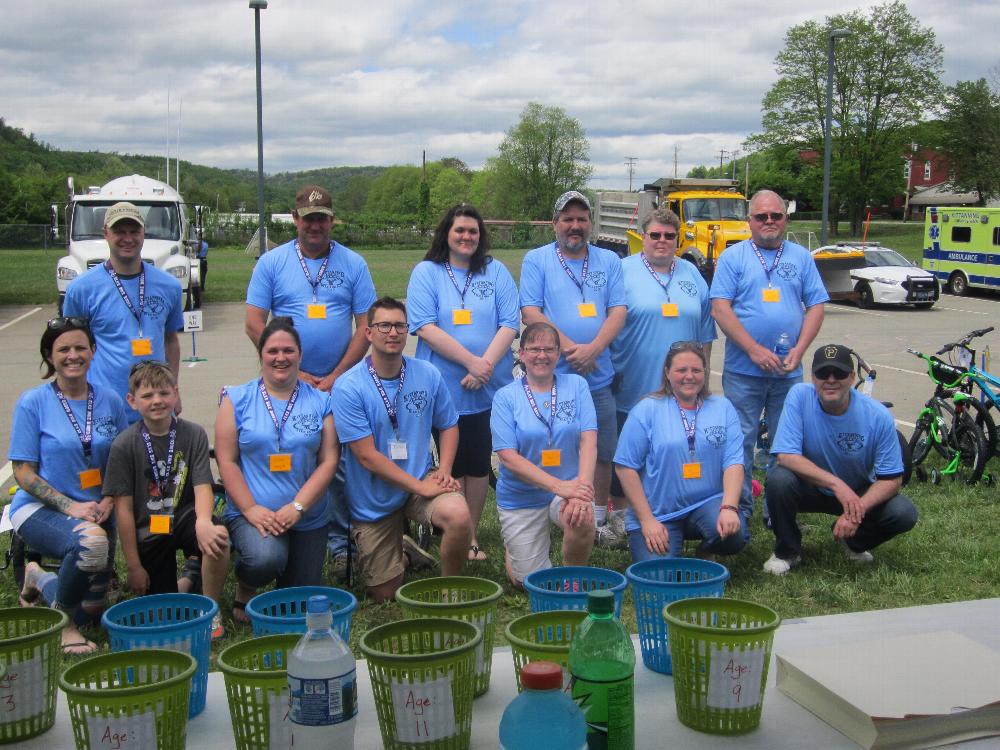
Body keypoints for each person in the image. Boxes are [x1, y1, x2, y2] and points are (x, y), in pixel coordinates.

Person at [245, 185, 376, 581]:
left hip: (341, 382)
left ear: (331, 220)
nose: (315, 225)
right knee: (289, 454)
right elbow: (254, 322)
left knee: (338, 466)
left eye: (322, 217)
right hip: (285, 381)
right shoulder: (272, 262)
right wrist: (295, 372)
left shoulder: (353, 263)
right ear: (295, 219)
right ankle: (278, 531)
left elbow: (365, 326)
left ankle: (342, 545)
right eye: (308, 217)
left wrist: (337, 376)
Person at [331, 297, 473, 602]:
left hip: (420, 481)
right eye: (384, 325)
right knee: (385, 593)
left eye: (399, 325)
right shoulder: (348, 386)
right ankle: (404, 551)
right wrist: (419, 484)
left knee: (459, 515)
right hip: (374, 495)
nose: (392, 332)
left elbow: (449, 425)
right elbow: (367, 456)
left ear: (408, 331)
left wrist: (444, 472)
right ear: (368, 333)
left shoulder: (427, 374)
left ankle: (451, 588)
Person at [406, 203, 519, 562]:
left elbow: (510, 323)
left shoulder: (496, 271)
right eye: (460, 230)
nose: (467, 237)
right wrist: (472, 361)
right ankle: (446, 526)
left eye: (473, 231)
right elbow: (425, 326)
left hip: (487, 386)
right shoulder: (427, 273)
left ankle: (468, 536)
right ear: (447, 234)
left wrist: (484, 366)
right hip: (443, 387)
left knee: (477, 462)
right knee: (449, 464)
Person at [10, 317, 128, 654]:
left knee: (91, 611)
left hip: (96, 511)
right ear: (50, 356)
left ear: (93, 351)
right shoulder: (33, 402)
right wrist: (69, 506)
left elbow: (119, 462)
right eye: (63, 349)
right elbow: (23, 471)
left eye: (80, 347)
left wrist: (107, 499)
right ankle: (64, 625)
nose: (72, 355)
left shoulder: (110, 400)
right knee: (91, 545)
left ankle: (38, 579)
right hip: (41, 508)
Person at [709, 189, 828, 520]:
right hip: (743, 371)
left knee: (786, 445)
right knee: (740, 443)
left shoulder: (801, 257)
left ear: (785, 219)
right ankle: (740, 510)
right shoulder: (733, 258)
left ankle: (778, 511)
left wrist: (800, 350)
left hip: (788, 373)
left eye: (776, 215)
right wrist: (754, 349)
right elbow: (720, 309)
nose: (769, 221)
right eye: (761, 216)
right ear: (750, 221)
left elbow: (817, 306)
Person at [520, 190, 627, 547]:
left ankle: (596, 518)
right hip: (553, 376)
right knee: (551, 445)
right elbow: (531, 311)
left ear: (591, 224)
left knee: (602, 450)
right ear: (555, 224)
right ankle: (546, 510)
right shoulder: (537, 260)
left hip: (598, 374)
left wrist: (594, 348)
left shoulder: (609, 260)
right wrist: (568, 347)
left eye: (582, 219)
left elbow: (618, 311)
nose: (575, 226)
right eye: (567, 219)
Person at [215, 317, 339, 620]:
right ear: (261, 355)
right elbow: (226, 459)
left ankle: (286, 565)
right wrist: (251, 509)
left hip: (307, 516)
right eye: (272, 351)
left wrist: (297, 507)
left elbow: (329, 461)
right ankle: (247, 585)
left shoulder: (321, 401)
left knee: (298, 606)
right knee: (265, 558)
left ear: (300, 355)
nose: (280, 358)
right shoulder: (237, 398)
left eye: (288, 350)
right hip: (253, 512)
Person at [762, 344, 918, 575]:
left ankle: (853, 543)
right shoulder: (799, 396)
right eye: (823, 374)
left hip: (858, 491)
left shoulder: (878, 415)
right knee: (778, 479)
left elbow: (892, 479)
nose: (831, 380)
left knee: (904, 513)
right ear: (813, 378)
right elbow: (785, 456)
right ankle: (787, 551)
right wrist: (837, 484)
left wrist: (857, 509)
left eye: (840, 373)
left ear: (853, 377)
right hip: (811, 487)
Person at [103, 361, 229, 639]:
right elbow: (123, 511)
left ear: (176, 393)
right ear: (132, 401)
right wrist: (134, 566)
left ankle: (211, 609)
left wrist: (205, 522)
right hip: (149, 530)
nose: (157, 401)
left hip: (184, 518)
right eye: (147, 396)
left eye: (164, 393)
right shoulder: (124, 445)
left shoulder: (193, 433)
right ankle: (189, 577)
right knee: (164, 616)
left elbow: (202, 486)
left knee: (218, 535)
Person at [610, 208, 716, 510]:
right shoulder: (622, 270)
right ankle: (620, 511)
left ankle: (671, 504)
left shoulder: (691, 273)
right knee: (628, 448)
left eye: (670, 236)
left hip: (683, 386)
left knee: (674, 445)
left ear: (678, 240)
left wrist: (704, 377)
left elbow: (706, 331)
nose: (662, 241)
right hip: (634, 380)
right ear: (642, 237)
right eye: (655, 235)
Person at [614, 341, 746, 560]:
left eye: (696, 370)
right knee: (656, 577)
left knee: (734, 535)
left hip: (707, 503)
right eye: (681, 370)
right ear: (667, 373)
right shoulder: (646, 410)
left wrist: (729, 508)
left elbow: (733, 462)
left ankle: (707, 548)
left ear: (705, 371)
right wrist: (647, 521)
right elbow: (624, 467)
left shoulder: (722, 407)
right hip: (659, 512)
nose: (689, 376)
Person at [491, 322, 596, 586]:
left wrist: (581, 488)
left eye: (549, 349)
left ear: (558, 354)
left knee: (582, 516)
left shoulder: (577, 386)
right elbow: (507, 457)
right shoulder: (505, 397)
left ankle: (574, 576)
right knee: (529, 583)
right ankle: (517, 552)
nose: (542, 355)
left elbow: (588, 440)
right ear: (522, 354)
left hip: (568, 487)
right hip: (522, 496)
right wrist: (558, 485)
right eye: (534, 349)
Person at [63, 201, 184, 423]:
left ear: (143, 233)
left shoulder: (169, 286)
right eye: (119, 231)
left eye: (134, 231)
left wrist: (173, 389)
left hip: (153, 406)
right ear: (105, 233)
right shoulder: (81, 290)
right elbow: (70, 350)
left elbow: (170, 341)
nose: (128, 238)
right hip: (103, 407)